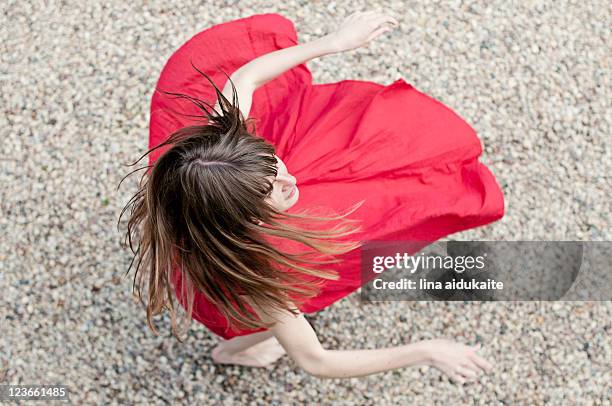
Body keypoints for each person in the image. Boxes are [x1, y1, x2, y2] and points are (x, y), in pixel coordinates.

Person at [119, 10, 504, 383]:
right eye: (274, 189)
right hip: (237, 270)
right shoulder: (254, 276)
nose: (291, 178)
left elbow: (247, 76)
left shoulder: (217, 155)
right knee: (263, 321)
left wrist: (333, 43)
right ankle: (234, 353)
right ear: (247, 218)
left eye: (273, 163)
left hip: (213, 223)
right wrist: (426, 351)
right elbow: (315, 360)